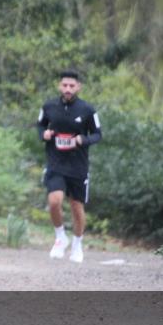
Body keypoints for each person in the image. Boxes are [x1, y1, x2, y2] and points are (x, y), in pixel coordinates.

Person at [37, 70, 102, 263]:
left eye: (71, 86)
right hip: (56, 163)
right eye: (64, 85)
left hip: (78, 166)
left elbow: (98, 134)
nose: (67, 89)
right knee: (54, 201)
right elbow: (40, 125)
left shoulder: (87, 110)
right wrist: (43, 135)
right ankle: (60, 237)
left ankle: (77, 244)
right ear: (59, 86)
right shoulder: (49, 106)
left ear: (78, 87)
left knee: (76, 207)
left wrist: (83, 139)